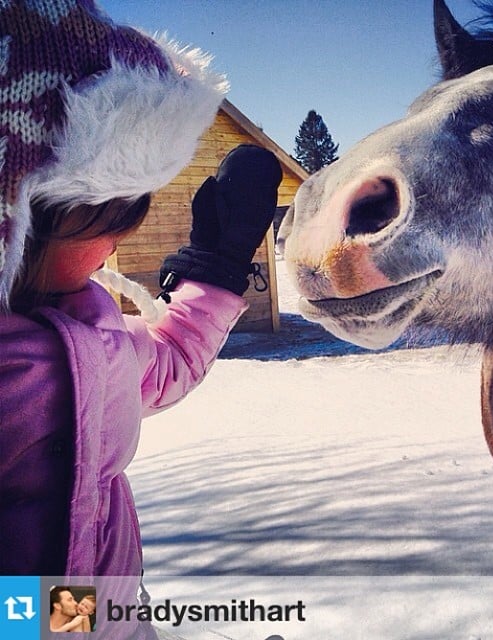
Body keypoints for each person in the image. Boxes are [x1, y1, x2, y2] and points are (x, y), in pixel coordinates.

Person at [0, 2, 282, 638]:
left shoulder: (93, 334)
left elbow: (170, 362)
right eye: (104, 212)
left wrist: (217, 265)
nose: (122, 234)